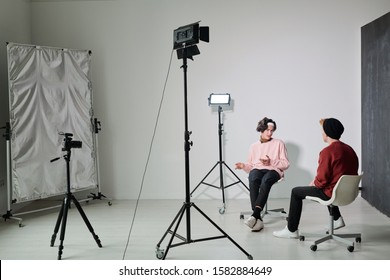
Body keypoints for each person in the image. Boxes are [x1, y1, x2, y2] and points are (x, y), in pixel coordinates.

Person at [273, 118, 359, 239]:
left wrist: (313, 183)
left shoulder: (327, 152)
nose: (322, 133)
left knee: (296, 192)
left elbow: (322, 181)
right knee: (331, 186)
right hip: (347, 193)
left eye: (322, 130)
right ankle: (337, 218)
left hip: (331, 193)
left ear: (327, 132)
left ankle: (291, 230)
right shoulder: (350, 150)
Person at [235, 117, 290, 232]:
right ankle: (258, 219)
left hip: (274, 170)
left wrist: (271, 162)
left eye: (272, 130)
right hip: (258, 169)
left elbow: (285, 164)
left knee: (266, 180)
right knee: (253, 178)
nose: (270, 133)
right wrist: (243, 166)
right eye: (267, 130)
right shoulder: (253, 146)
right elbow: (251, 166)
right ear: (261, 130)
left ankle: (254, 215)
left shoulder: (279, 143)